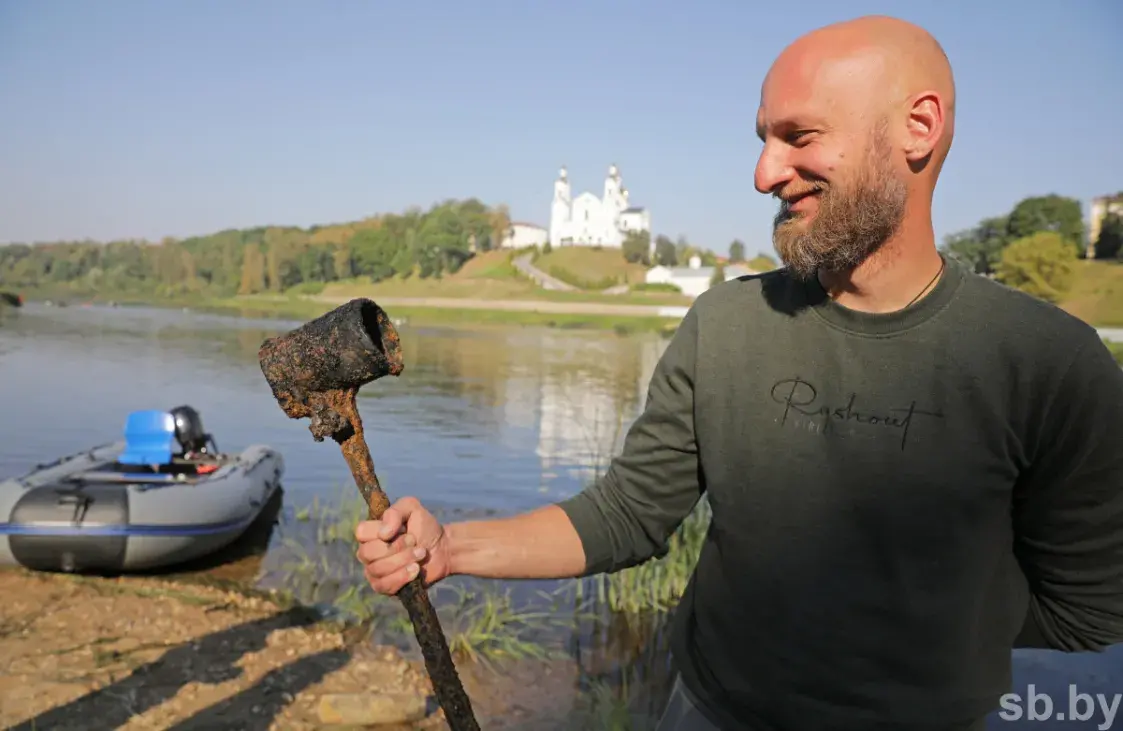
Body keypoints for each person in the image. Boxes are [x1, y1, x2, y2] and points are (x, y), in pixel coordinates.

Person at [355, 15, 1123, 731]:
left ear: (918, 128)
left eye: (799, 136)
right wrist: (450, 548)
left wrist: (931, 616)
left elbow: (1091, 610)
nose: (763, 173)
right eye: (762, 138)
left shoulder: (1048, 365)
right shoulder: (725, 325)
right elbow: (627, 513)